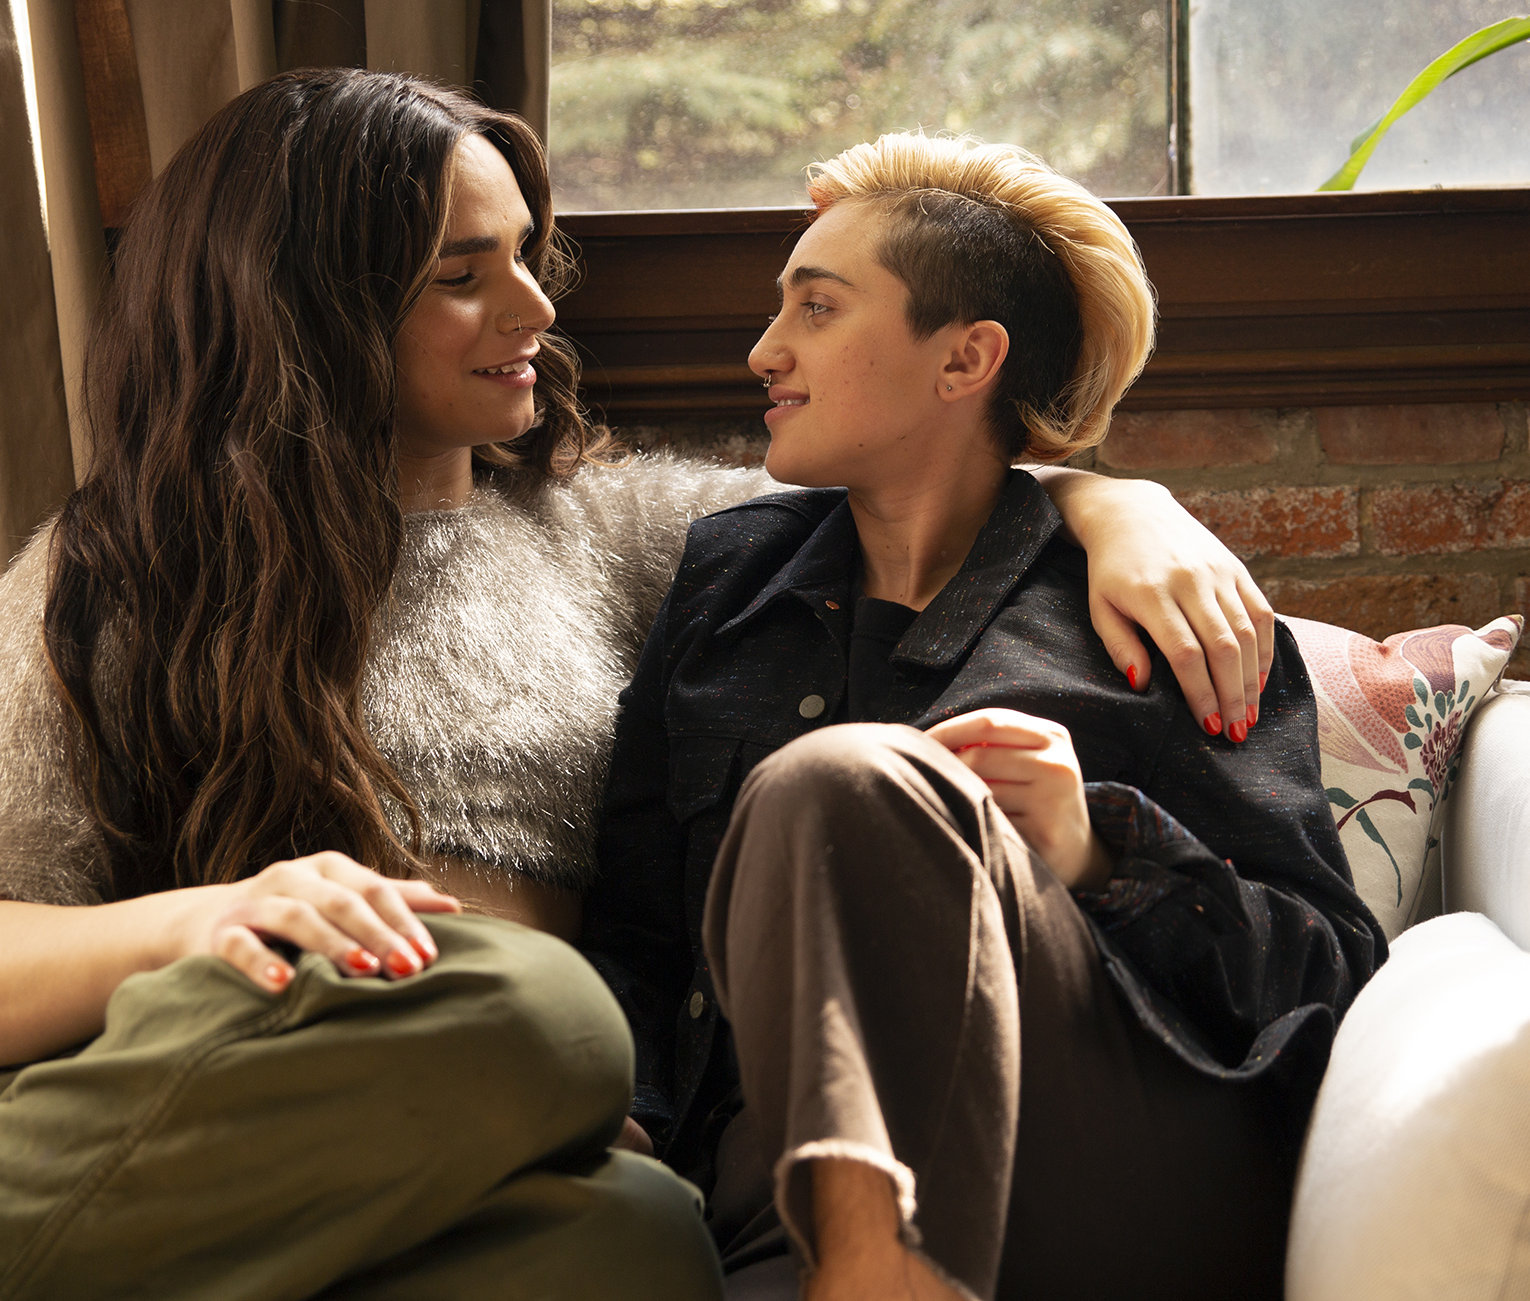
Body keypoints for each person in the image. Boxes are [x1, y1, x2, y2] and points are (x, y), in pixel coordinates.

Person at [0, 71, 1273, 1300]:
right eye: (461, 279)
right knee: (539, 1008)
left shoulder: (614, 535)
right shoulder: (112, 574)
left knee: (639, 1246)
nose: (536, 313)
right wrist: (217, 915)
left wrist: (1115, 503)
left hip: (502, 1146)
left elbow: (909, 486)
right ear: (314, 313)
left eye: (528, 261)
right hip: (182, 1085)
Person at [580, 133, 1387, 1301]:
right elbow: (640, 932)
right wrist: (633, 1122)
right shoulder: (721, 586)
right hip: (769, 1181)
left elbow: (1327, 974)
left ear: (965, 358)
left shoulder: (1156, 609)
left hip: (1102, 1163)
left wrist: (1098, 850)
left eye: (814, 309)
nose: (763, 351)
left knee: (842, 779)